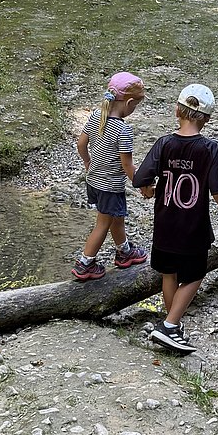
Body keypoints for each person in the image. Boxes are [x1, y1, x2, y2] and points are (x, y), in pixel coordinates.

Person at [133, 83, 218, 354]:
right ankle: (169, 325)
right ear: (208, 119)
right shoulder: (210, 149)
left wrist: (150, 188)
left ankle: (173, 327)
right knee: (195, 275)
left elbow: (140, 179)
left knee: (170, 272)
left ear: (176, 110)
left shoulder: (164, 143)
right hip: (193, 227)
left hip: (165, 224)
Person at [71, 71, 149, 281]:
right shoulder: (123, 130)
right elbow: (127, 165)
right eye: (136, 105)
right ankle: (85, 263)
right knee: (103, 223)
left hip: (94, 182)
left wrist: (88, 163)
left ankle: (124, 251)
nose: (134, 109)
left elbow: (81, 144)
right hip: (110, 187)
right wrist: (142, 185)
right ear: (129, 102)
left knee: (117, 218)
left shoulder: (97, 116)